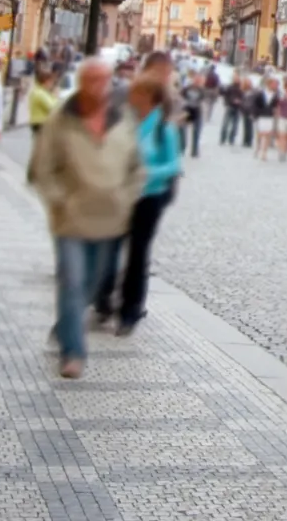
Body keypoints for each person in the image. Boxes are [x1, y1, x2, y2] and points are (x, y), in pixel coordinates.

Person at [30, 57, 145, 379]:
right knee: (73, 280)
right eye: (92, 80)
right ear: (81, 82)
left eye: (104, 80)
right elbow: (43, 167)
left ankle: (66, 325)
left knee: (93, 285)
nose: (99, 87)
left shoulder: (122, 119)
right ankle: (73, 351)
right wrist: (60, 201)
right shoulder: (61, 119)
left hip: (111, 219)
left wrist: (127, 197)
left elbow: (137, 166)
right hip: (71, 220)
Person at [100, 76, 184, 336]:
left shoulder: (163, 128)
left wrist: (149, 172)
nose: (130, 96)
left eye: (135, 92)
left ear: (148, 96)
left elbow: (175, 165)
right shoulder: (129, 121)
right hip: (124, 195)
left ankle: (130, 311)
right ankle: (105, 299)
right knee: (110, 246)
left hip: (149, 198)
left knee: (137, 253)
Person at [27, 63, 61, 135]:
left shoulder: (41, 91)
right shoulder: (40, 93)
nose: (52, 84)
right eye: (51, 82)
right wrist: (55, 96)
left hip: (39, 122)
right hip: (41, 122)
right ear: (46, 81)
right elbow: (53, 108)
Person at [253, 81, 278, 161]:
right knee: (260, 134)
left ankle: (264, 152)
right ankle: (258, 147)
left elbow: (276, 106)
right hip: (261, 115)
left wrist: (275, 113)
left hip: (269, 116)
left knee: (267, 135)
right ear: (269, 85)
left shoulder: (276, 96)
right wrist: (256, 113)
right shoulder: (261, 94)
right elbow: (256, 104)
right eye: (274, 84)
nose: (275, 86)